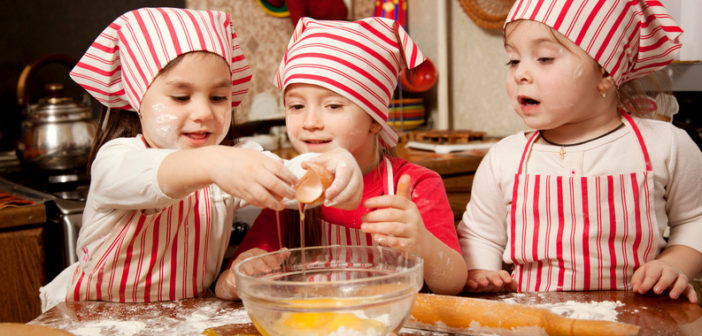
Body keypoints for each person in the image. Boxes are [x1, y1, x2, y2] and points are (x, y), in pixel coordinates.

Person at [39, 7, 363, 312]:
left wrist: (331, 167)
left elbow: (288, 179)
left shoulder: (231, 160)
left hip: (186, 319)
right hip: (90, 319)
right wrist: (214, 162)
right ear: (139, 97)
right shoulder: (117, 159)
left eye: (219, 97)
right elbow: (157, 173)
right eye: (181, 97)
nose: (204, 113)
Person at [457, 0, 702, 303]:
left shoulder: (665, 146)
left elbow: (695, 220)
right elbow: (480, 235)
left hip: (640, 315)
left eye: (544, 58)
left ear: (606, 73)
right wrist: (481, 271)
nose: (521, 73)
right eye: (513, 60)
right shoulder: (504, 158)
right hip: (534, 319)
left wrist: (675, 263)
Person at [215, 17, 467, 299]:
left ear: (375, 121)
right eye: (296, 105)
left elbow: (453, 282)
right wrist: (238, 278)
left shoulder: (417, 184)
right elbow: (228, 284)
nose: (310, 122)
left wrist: (421, 243)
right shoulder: (289, 191)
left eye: (333, 105)